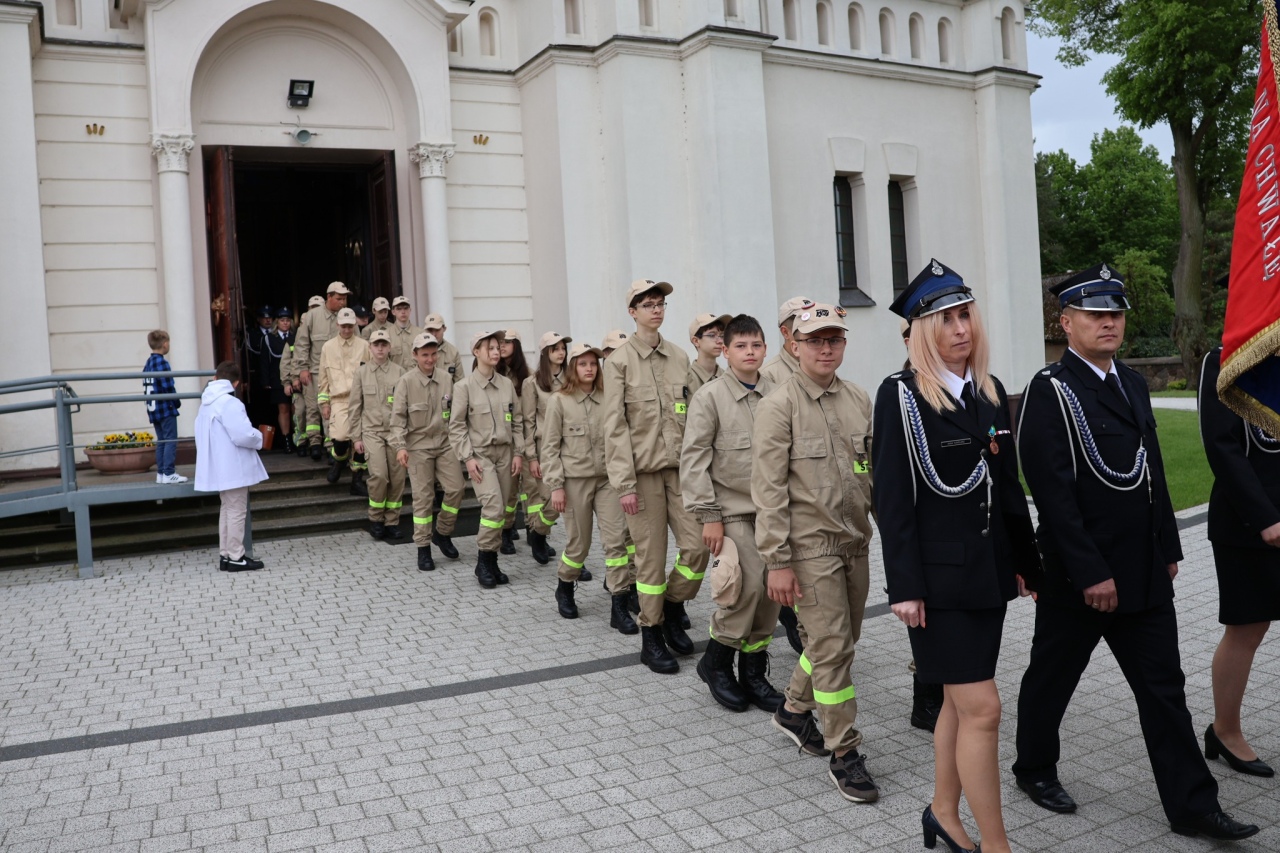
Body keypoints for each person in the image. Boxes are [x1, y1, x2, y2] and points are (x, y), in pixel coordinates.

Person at [1012, 264, 1258, 841]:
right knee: (1053, 676)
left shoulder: (1131, 383)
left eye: (1115, 313)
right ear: (1065, 321)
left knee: (1164, 689)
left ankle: (1194, 806)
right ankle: (1034, 768)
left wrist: (1168, 546)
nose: (1109, 323)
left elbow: (1152, 473)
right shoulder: (1050, 391)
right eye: (1095, 314)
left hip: (1143, 570)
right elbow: (1051, 491)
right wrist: (1090, 571)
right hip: (1081, 577)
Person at [874, 260, 1040, 853]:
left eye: (965, 314)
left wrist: (1028, 563)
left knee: (956, 703)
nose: (960, 329)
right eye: (945, 319)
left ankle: (944, 811)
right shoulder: (901, 396)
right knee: (985, 709)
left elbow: (1009, 487)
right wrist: (904, 587)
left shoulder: (990, 392)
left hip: (989, 576)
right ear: (923, 331)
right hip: (937, 584)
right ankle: (997, 847)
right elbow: (891, 500)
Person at [754, 302, 880, 804]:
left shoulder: (858, 398)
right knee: (830, 648)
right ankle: (844, 752)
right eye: (815, 340)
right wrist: (777, 561)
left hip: (855, 541)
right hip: (808, 548)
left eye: (834, 339)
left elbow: (874, 475)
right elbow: (768, 491)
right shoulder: (777, 405)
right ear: (794, 345)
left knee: (841, 640)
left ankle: (791, 710)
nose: (826, 348)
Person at [603, 279, 709, 674]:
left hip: (681, 473)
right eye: (648, 304)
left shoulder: (680, 357)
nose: (656, 309)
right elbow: (613, 428)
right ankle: (652, 636)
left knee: (697, 549)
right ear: (633, 312)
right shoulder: (617, 363)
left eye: (660, 303)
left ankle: (672, 603)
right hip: (642, 476)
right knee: (650, 560)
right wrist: (625, 485)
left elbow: (697, 417)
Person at [681, 314, 783, 713]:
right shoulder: (710, 398)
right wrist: (709, 514)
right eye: (740, 346)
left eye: (756, 345)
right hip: (733, 512)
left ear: (765, 348)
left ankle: (754, 674)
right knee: (744, 590)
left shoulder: (779, 391)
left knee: (771, 597)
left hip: (775, 513)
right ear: (725, 350)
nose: (750, 352)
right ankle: (717, 664)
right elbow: (693, 461)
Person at [1198, 347, 1280, 778]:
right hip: (1249, 523)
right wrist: (1265, 518)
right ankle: (1225, 729)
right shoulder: (1226, 357)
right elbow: (1221, 444)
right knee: (1248, 628)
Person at [542, 342, 634, 630]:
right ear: (573, 368)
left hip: (607, 480)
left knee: (616, 542)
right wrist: (556, 486)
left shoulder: (610, 398)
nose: (589, 369)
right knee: (578, 545)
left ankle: (619, 606)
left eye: (593, 363)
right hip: (574, 482)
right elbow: (550, 447)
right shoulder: (559, 401)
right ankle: (565, 586)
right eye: (583, 364)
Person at [758, 296, 815, 656]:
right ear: (786, 332)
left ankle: (799, 619)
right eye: (800, 323)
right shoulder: (768, 377)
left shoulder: (821, 366)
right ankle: (790, 616)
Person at [449, 330, 524, 588]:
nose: (495, 351)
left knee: (502, 510)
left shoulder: (506, 385)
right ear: (477, 352)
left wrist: (519, 452)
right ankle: (483, 560)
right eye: (490, 347)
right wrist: (468, 458)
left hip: (506, 454)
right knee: (492, 507)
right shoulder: (463, 387)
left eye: (497, 347)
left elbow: (518, 422)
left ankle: (492, 562)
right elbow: (456, 427)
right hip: (481, 456)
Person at [389, 332, 466, 571]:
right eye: (425, 355)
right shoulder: (406, 381)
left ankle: (442, 532)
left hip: (445, 444)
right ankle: (423, 548)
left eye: (433, 354)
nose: (430, 359)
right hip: (418, 447)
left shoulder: (446, 379)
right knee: (423, 498)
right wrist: (400, 447)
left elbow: (457, 414)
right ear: (415, 356)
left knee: (456, 489)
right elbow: (397, 419)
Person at [195, 361, 268, 572]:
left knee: (227, 510)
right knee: (236, 511)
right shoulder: (230, 403)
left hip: (218, 466)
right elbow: (243, 434)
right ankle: (236, 556)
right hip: (233, 466)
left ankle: (226, 555)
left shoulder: (206, 403)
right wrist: (259, 437)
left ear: (216, 378)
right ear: (235, 383)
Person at [350, 328, 407, 540]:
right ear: (370, 347)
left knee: (397, 478)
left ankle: (392, 521)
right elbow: (355, 407)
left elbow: (405, 406)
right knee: (379, 475)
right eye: (376, 344)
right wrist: (356, 437)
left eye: (384, 344)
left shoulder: (400, 372)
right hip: (372, 432)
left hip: (395, 433)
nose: (380, 348)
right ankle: (376, 518)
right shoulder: (361, 373)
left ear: (389, 347)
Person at [519, 331, 570, 563]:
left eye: (562, 348)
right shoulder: (532, 383)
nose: (561, 352)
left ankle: (576, 560)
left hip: (571, 447)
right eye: (555, 348)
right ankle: (538, 532)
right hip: (544, 449)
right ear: (544, 353)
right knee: (550, 500)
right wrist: (531, 457)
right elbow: (528, 421)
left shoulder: (572, 379)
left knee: (573, 503)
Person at [599, 329, 641, 614]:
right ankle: (618, 594)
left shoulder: (635, 383)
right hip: (600, 474)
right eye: (612, 351)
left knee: (634, 536)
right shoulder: (591, 385)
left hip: (630, 471)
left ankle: (633, 586)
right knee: (615, 537)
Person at [318, 307, 371, 494]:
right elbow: (323, 376)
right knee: (340, 438)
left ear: (355, 325)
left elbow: (371, 373)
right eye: (344, 326)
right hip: (339, 400)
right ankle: (339, 463)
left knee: (362, 441)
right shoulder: (328, 347)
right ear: (337, 324)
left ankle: (357, 480)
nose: (347, 330)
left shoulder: (364, 346)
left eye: (350, 326)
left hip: (361, 400)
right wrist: (324, 403)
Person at [294, 282, 350, 460]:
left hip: (339, 373)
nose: (343, 302)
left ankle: (331, 446)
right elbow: (302, 344)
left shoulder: (346, 317)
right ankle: (315, 442)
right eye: (339, 299)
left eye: (345, 299)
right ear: (329, 297)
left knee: (336, 408)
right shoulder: (312, 316)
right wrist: (302, 368)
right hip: (316, 371)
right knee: (314, 408)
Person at [143, 329, 187, 484]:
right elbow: (168, 386)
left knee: (161, 440)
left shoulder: (148, 363)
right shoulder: (162, 362)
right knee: (170, 440)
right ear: (165, 344)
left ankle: (161, 473)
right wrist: (176, 401)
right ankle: (169, 472)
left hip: (153, 408)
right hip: (165, 408)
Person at [264, 306, 295, 453]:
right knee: (283, 409)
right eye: (282, 320)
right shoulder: (270, 338)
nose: (285, 323)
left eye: (288, 320)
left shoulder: (295, 336)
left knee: (297, 409)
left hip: (294, 377)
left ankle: (298, 438)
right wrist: (265, 381)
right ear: (277, 322)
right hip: (277, 379)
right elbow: (264, 361)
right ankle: (286, 439)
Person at [687, 313, 731, 398]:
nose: (720, 341)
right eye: (712, 335)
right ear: (696, 341)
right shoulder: (686, 378)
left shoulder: (728, 378)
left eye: (722, 335)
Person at [423, 313, 465, 387]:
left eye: (437, 330)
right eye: (430, 330)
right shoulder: (418, 352)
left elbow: (460, 383)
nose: (434, 334)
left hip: (447, 396)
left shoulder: (453, 352)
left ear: (444, 329)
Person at [387, 296, 422, 371]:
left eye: (406, 308)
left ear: (410, 310)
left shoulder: (420, 334)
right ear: (393, 312)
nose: (403, 312)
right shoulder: (386, 335)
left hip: (416, 378)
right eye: (399, 309)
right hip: (395, 379)